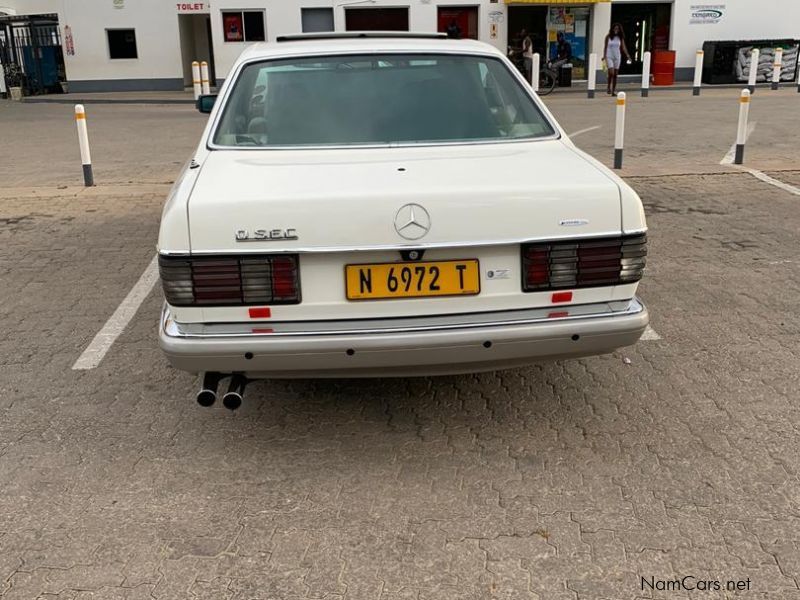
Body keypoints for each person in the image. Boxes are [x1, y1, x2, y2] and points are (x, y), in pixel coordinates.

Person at [603, 22, 630, 96]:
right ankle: (608, 86)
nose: (616, 30)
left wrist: (627, 55)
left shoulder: (620, 38)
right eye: (615, 28)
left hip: (617, 56)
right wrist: (604, 56)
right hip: (609, 56)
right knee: (611, 73)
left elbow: (623, 47)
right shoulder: (608, 37)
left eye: (618, 29)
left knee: (615, 75)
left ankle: (613, 91)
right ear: (612, 29)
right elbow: (605, 47)